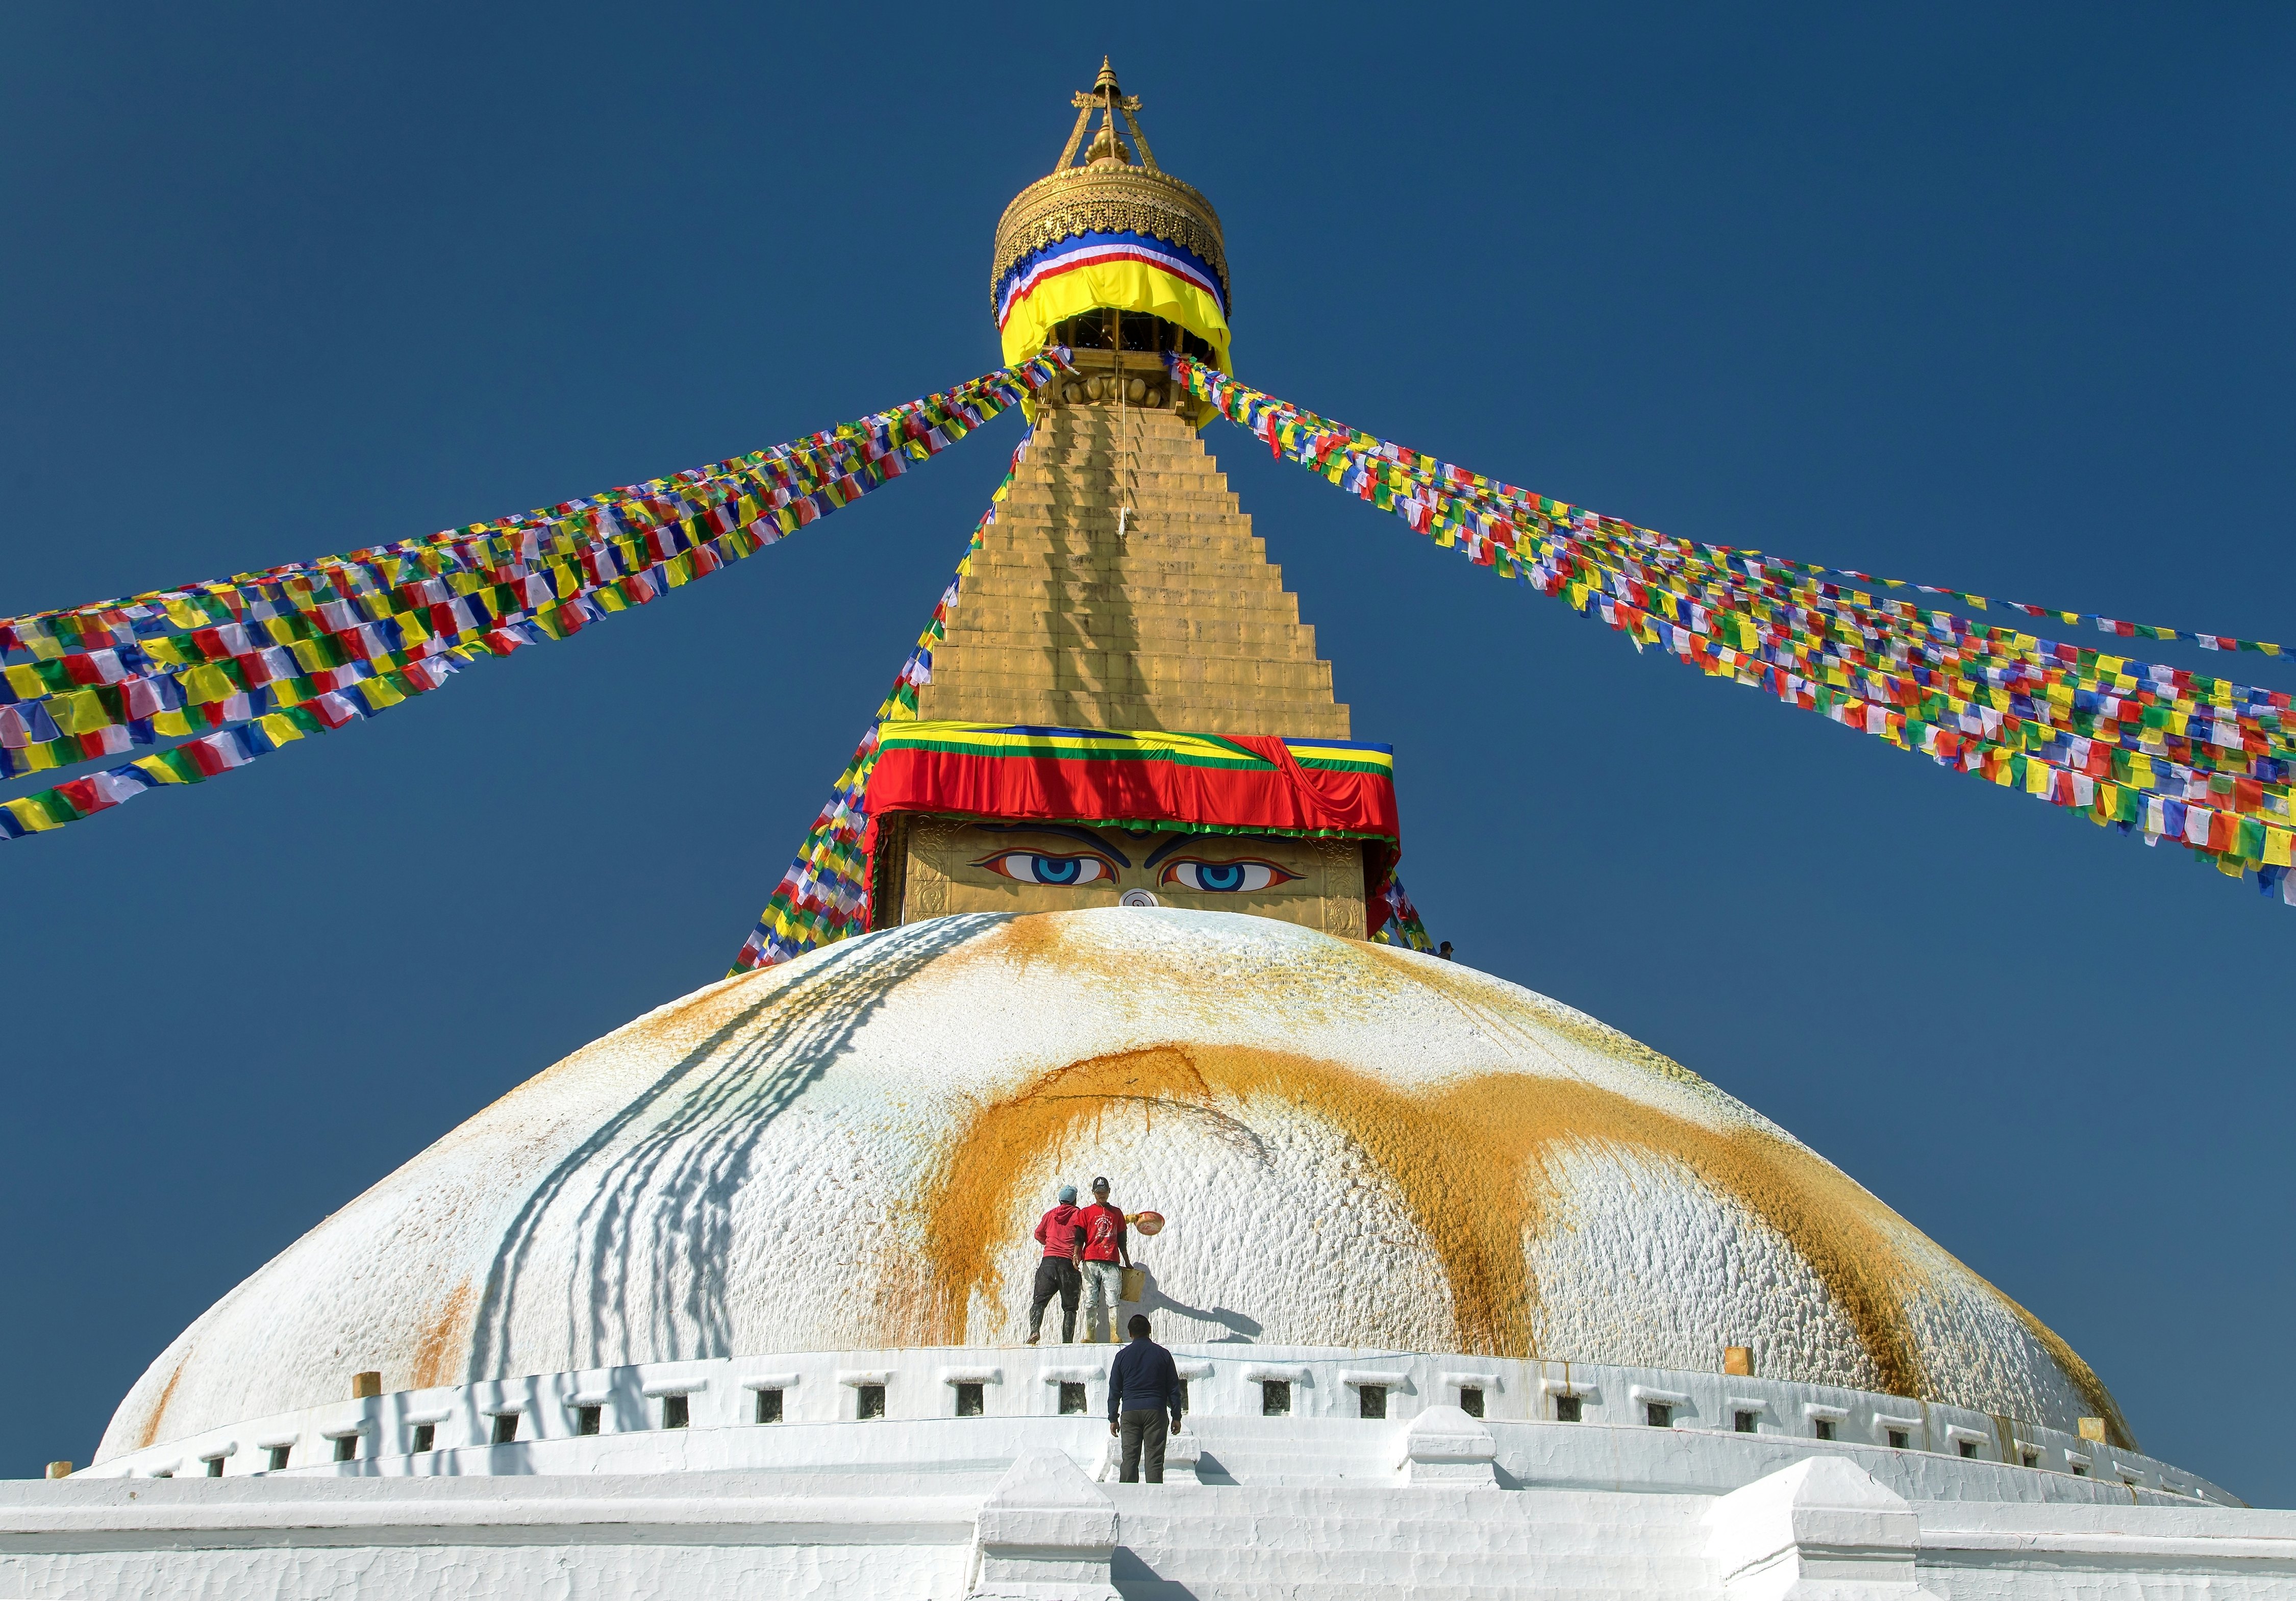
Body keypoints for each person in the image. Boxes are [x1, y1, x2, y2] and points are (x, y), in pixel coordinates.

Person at [1107, 1314, 1185, 1484]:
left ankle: (1127, 1500)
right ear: (1150, 1331)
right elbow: (1173, 1388)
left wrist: (1113, 1418)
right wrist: (1176, 1416)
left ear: (1130, 1333)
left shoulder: (1122, 1357)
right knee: (1154, 1460)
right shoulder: (1163, 1355)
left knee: (1129, 1459)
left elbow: (1114, 1389)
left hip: (1130, 1412)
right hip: (1156, 1412)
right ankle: (1155, 1501)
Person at [1027, 1184, 1084, 1345]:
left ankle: (1035, 1331)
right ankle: (1067, 1342)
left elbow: (1038, 1234)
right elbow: (1084, 1237)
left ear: (1060, 1200)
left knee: (1039, 1302)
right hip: (1068, 1264)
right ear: (1075, 1200)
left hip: (1048, 1263)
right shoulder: (1079, 1215)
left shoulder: (1050, 1215)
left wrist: (1050, 1243)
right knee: (1070, 1308)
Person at [1076, 1176, 1131, 1342]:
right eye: (1099, 1192)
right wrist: (1076, 1254)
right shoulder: (1085, 1212)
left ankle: (1114, 1333)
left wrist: (1127, 1260)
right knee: (1090, 1300)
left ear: (1109, 1192)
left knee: (1113, 1299)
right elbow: (1079, 1236)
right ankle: (1090, 1335)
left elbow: (1122, 1239)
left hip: (1111, 1261)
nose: (1102, 1195)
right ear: (1093, 1193)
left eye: (1104, 1191)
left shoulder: (1117, 1213)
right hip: (1091, 1260)